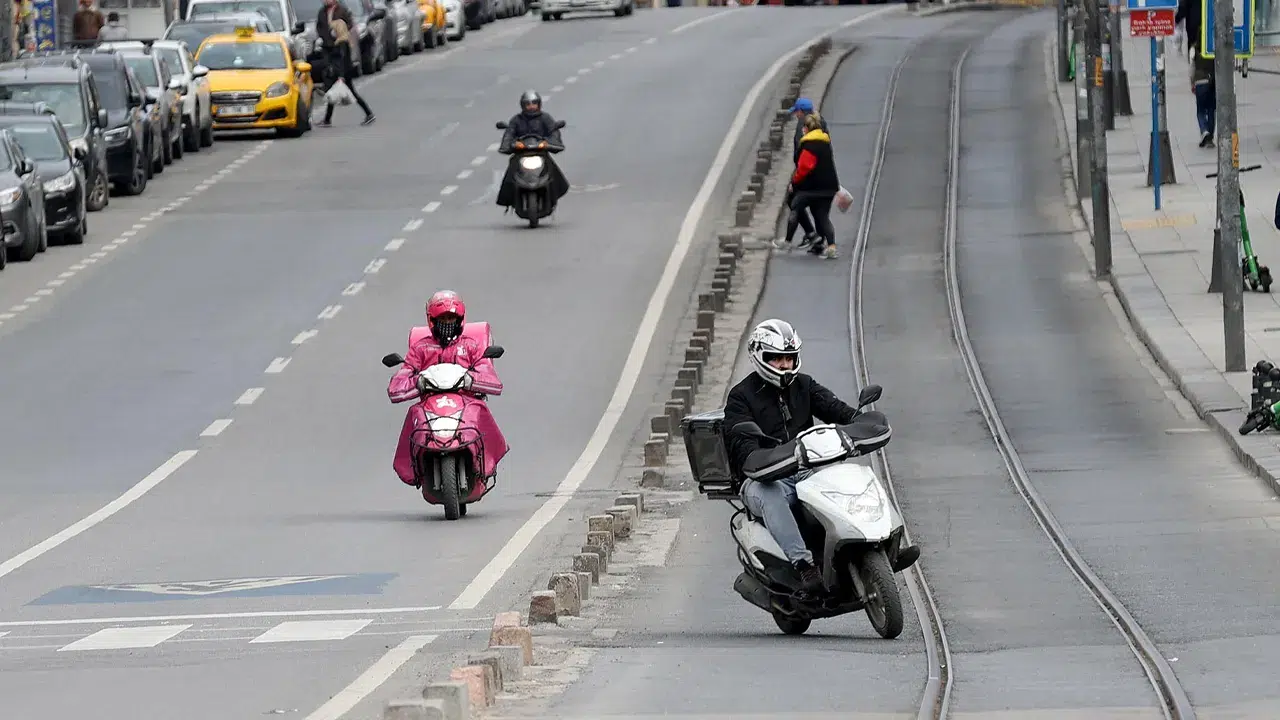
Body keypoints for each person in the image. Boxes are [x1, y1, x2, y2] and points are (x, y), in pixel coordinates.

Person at [724, 319, 920, 597]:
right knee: (769, 494)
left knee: (857, 474)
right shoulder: (740, 397)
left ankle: (885, 542)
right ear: (759, 356)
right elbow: (743, 449)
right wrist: (765, 459)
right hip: (763, 479)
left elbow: (836, 408)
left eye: (789, 359)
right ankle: (804, 565)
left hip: (806, 469)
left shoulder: (803, 385)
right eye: (776, 359)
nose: (784, 365)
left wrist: (860, 421)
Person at [386, 290, 506, 485]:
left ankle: (486, 462)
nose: (447, 323)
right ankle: (414, 468)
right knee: (413, 413)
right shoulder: (420, 349)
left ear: (460, 320)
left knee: (482, 411)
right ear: (432, 321)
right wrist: (419, 382)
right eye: (442, 318)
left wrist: (469, 380)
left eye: (451, 318)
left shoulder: (471, 347)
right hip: (429, 405)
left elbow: (491, 378)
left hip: (466, 401)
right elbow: (399, 383)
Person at [778, 112, 839, 259]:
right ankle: (830, 246)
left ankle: (787, 241)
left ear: (806, 128)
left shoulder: (809, 145)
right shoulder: (825, 142)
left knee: (795, 206)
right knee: (822, 216)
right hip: (829, 188)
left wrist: (794, 183)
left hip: (811, 188)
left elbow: (804, 168)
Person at [496, 90, 570, 208]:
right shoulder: (516, 120)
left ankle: (553, 195)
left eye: (534, 103)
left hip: (541, 153)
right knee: (510, 171)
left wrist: (548, 143)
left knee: (553, 170)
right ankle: (508, 199)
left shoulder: (546, 118)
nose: (531, 106)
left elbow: (553, 133)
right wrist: (512, 145)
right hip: (521, 154)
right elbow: (509, 135)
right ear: (523, 105)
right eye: (528, 104)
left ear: (539, 104)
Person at [785, 97, 828, 249]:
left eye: (796, 112)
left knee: (793, 200)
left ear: (801, 112)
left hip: (808, 172)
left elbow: (800, 155)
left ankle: (809, 234)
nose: (796, 115)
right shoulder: (821, 121)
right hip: (824, 172)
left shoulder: (802, 127)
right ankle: (819, 241)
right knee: (818, 208)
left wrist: (795, 180)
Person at [318, 18, 374, 126]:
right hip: (344, 72)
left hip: (344, 73)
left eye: (333, 30)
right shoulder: (343, 41)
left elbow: (343, 60)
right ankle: (327, 119)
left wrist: (341, 76)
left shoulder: (342, 43)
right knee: (333, 93)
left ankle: (369, 113)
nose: (332, 32)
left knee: (349, 94)